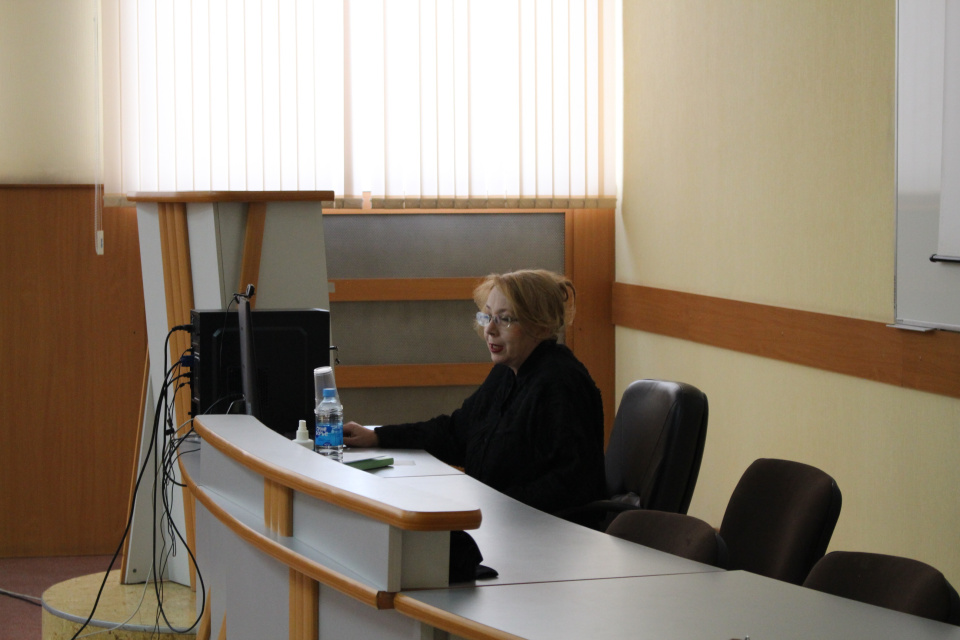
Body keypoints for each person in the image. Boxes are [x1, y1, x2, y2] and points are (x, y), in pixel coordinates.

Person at [343, 269, 605, 515]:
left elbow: (573, 483)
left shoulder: (562, 383)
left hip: (538, 530)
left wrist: (487, 508)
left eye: (505, 319)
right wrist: (377, 436)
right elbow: (456, 433)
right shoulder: (506, 372)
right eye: (487, 316)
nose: (489, 329)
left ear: (541, 326)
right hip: (493, 518)